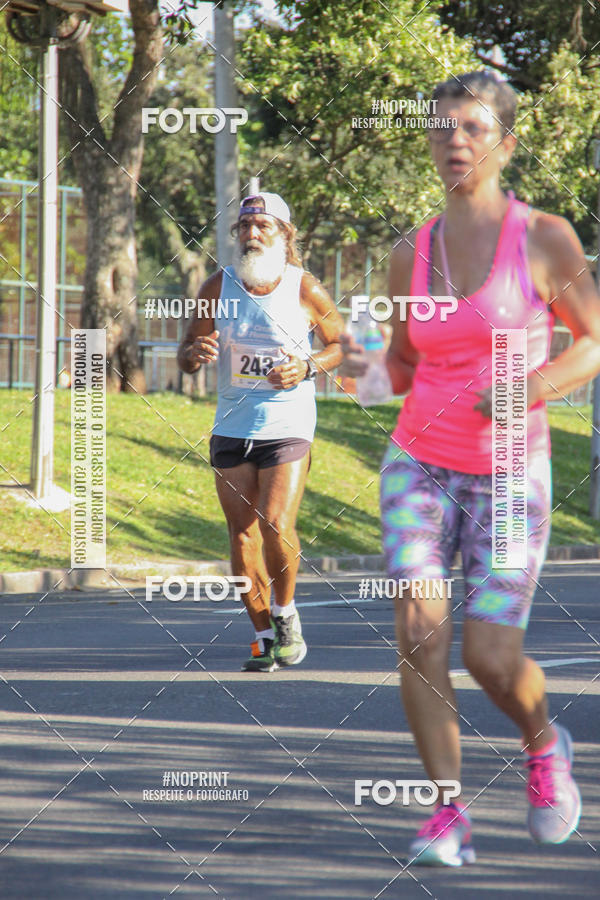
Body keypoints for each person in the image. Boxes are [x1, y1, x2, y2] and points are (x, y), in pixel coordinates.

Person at [342, 71, 600, 865]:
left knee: (490, 657)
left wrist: (527, 388)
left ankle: (540, 740)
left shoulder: (545, 237)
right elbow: (402, 368)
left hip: (511, 469)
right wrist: (360, 371)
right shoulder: (407, 252)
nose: (454, 140)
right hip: (418, 461)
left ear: (504, 143)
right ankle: (446, 812)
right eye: (441, 128)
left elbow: (593, 341)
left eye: (473, 128)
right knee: (419, 629)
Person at [178, 192, 343, 672]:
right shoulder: (217, 286)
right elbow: (186, 352)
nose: (251, 234)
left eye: (262, 226)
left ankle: (287, 612)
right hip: (231, 424)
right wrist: (196, 353)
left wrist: (307, 366)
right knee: (242, 535)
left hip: (287, 421)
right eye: (245, 226)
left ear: (284, 235)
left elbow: (341, 345)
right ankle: (265, 635)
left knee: (274, 522)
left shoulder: (304, 288)